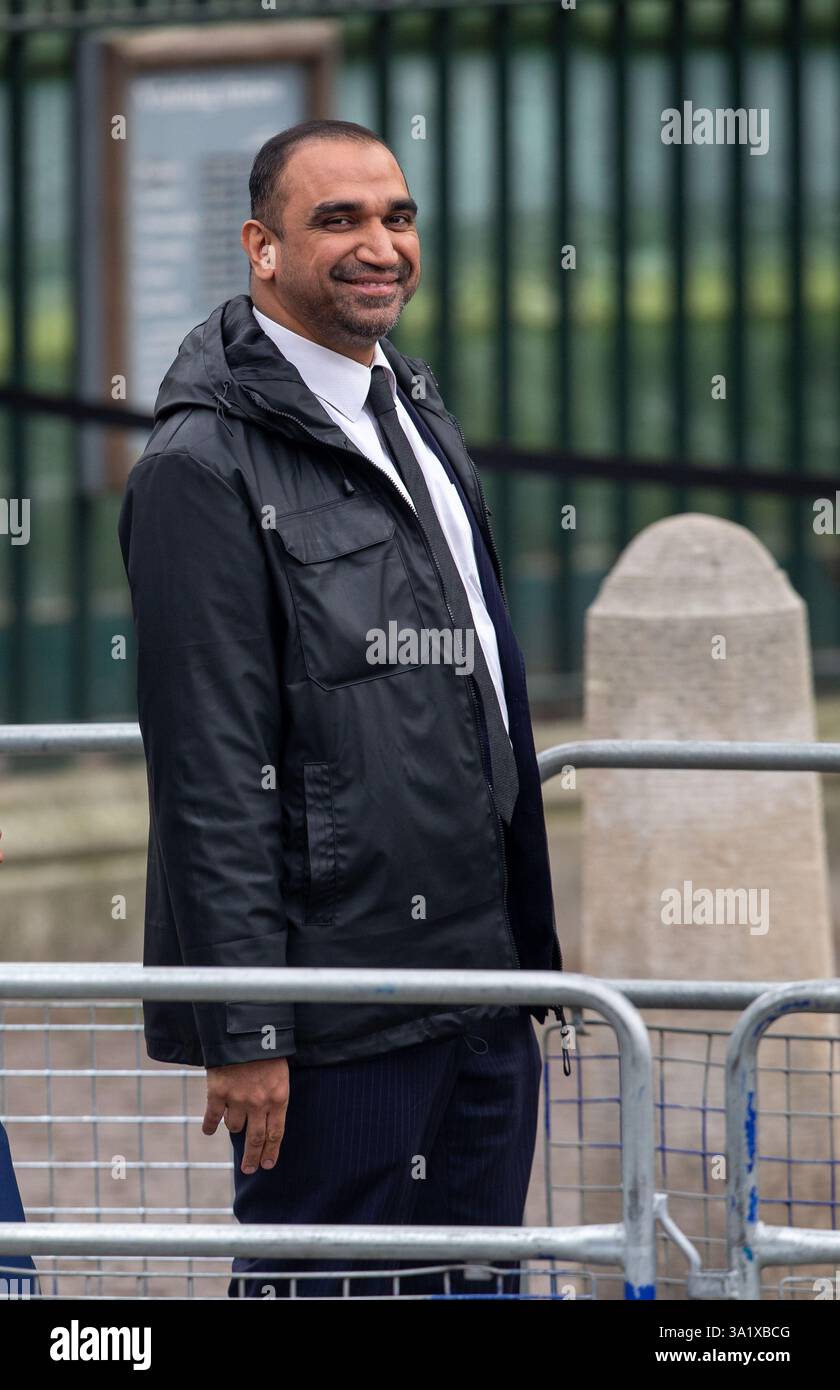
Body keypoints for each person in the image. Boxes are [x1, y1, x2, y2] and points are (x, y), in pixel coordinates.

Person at [118, 119, 569, 1299]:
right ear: (261, 248)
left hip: (480, 986)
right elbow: (212, 769)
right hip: (336, 1020)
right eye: (341, 220)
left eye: (398, 216)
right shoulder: (199, 468)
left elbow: (479, 690)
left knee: (478, 1290)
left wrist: (527, 962)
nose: (382, 245)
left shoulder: (412, 407)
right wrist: (247, 1027)